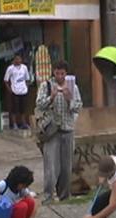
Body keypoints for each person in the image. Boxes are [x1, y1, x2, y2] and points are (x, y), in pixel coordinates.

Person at [35, 60, 82, 205]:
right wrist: (52, 97)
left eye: (62, 73)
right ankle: (48, 195)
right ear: (53, 72)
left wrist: (69, 100)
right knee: (50, 165)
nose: (60, 76)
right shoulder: (46, 86)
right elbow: (39, 104)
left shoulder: (73, 87)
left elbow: (78, 107)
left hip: (67, 129)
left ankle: (64, 195)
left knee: (66, 166)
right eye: (57, 73)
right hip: (52, 131)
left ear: (66, 73)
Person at [4, 55, 30, 130]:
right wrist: (9, 89)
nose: (18, 60)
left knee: (23, 108)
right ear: (14, 60)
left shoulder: (24, 67)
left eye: (19, 58)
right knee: (14, 108)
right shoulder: (10, 68)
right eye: (16, 59)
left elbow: (27, 79)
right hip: (15, 91)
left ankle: (23, 123)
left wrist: (26, 87)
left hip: (23, 91)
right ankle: (14, 124)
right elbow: (6, 80)